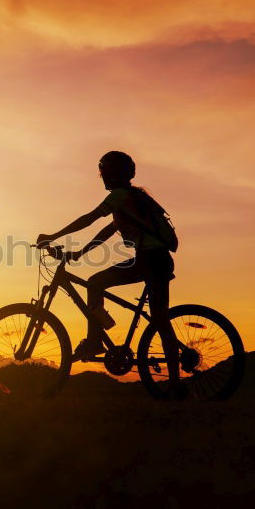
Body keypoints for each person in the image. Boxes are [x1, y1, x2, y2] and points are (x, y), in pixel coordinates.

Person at [36, 150, 186, 400]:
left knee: (100, 285)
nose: (102, 177)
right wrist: (78, 253)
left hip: (151, 260)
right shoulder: (131, 199)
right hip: (153, 259)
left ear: (115, 174)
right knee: (158, 318)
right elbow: (106, 232)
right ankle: (174, 385)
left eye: (104, 172)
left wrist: (53, 236)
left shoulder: (120, 196)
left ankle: (96, 341)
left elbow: (89, 219)